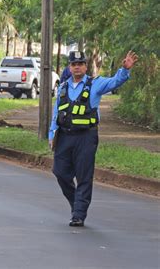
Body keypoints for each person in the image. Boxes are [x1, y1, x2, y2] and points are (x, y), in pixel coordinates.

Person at [49, 50, 138, 227]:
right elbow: (57, 111)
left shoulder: (95, 84)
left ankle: (78, 214)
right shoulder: (63, 87)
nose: (77, 67)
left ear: (85, 66)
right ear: (70, 67)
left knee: (84, 175)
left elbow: (115, 82)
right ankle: (77, 203)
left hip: (86, 137)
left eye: (80, 64)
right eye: (74, 64)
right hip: (65, 136)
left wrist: (124, 70)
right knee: (59, 172)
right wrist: (52, 133)